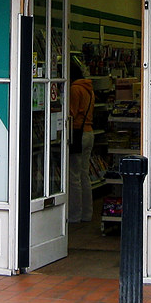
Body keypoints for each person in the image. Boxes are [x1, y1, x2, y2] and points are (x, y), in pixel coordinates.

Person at [68, 59, 95, 224]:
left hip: (77, 134)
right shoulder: (89, 89)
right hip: (89, 133)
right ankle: (88, 213)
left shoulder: (74, 89)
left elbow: (71, 113)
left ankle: (75, 214)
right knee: (84, 174)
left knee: (73, 176)